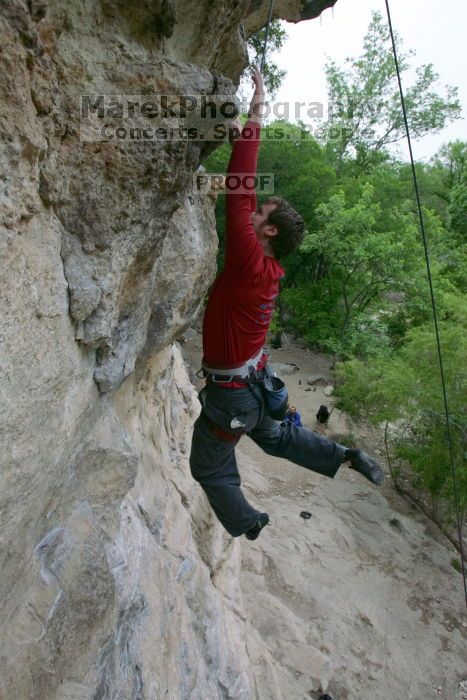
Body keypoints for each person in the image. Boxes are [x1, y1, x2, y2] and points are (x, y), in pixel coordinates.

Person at [189, 67, 384, 541]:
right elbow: (246, 195)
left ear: (268, 232)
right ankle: (342, 455)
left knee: (208, 467)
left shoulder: (249, 266)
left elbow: (239, 186)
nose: (251, 211)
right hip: (256, 385)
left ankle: (246, 521)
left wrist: (256, 114)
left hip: (237, 393)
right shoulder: (270, 270)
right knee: (278, 438)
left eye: (261, 215)